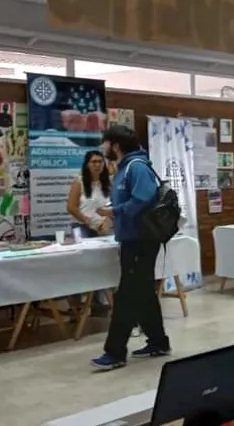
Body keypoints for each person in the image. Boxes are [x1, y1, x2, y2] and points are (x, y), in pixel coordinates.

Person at [90, 125, 171, 371]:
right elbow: (129, 200)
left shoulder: (136, 167)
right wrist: (113, 211)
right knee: (143, 291)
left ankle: (115, 352)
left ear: (115, 145)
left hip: (141, 240)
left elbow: (144, 200)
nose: (102, 148)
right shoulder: (125, 169)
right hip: (131, 239)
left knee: (125, 296)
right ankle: (158, 342)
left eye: (105, 143)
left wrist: (115, 210)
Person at [66, 150, 113, 237]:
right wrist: (88, 222)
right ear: (87, 164)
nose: (98, 165)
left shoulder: (108, 183)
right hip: (82, 225)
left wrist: (107, 220)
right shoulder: (79, 182)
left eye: (100, 161)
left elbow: (111, 205)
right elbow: (71, 207)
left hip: (102, 227)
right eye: (94, 162)